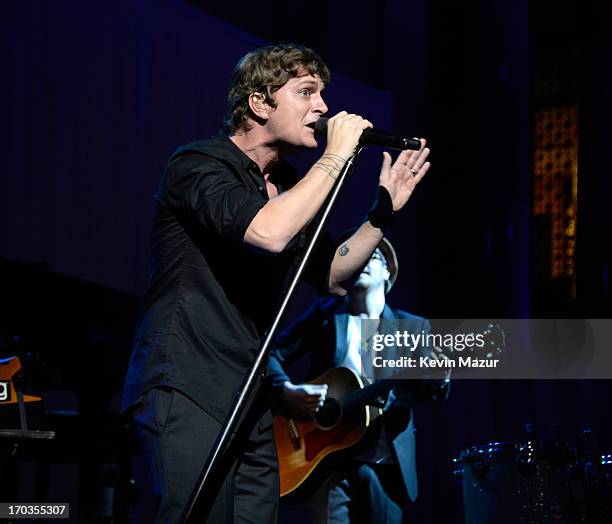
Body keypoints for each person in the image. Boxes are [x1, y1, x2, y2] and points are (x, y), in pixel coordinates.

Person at [121, 43, 431, 523]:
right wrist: (336, 156)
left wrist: (380, 214)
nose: (323, 107)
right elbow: (267, 232)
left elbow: (332, 274)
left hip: (250, 397)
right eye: (306, 92)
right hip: (186, 383)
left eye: (323, 94)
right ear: (259, 103)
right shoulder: (199, 165)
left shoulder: (287, 187)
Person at [269, 238, 450, 523]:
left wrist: (439, 376)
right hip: (327, 463)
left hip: (385, 466)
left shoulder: (412, 328)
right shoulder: (326, 314)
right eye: (356, 254)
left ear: (388, 272)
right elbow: (271, 352)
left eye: (372, 254)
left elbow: (430, 391)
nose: (362, 259)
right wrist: (287, 389)